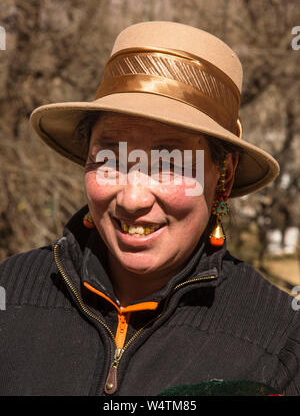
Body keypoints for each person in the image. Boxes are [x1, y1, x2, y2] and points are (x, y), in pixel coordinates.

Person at [0, 21, 299, 397]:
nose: (132, 198)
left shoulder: (277, 341)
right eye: (111, 159)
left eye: (170, 163)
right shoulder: (11, 294)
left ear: (223, 174)